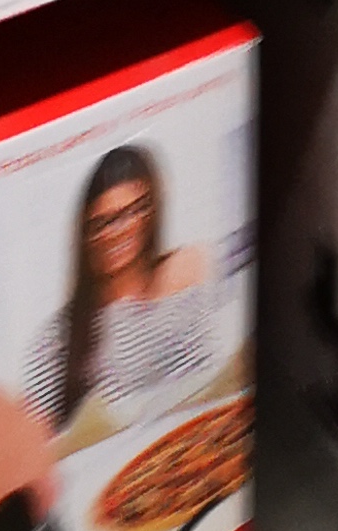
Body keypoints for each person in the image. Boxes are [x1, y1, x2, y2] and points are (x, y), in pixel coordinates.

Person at [23, 146, 212, 443]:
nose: (117, 231)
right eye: (102, 223)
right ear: (83, 231)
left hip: (199, 442)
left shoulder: (189, 270)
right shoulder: (54, 339)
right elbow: (35, 444)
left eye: (134, 210)